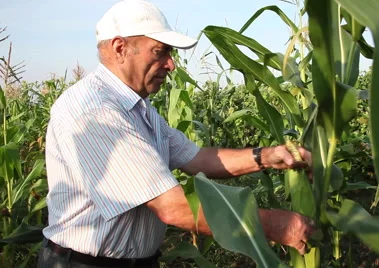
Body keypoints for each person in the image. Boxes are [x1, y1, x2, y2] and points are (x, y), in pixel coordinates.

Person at [37, 0, 316, 267]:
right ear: (120, 48)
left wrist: (267, 156)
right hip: (85, 264)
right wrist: (272, 225)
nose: (171, 65)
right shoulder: (96, 112)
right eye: (160, 52)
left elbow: (196, 158)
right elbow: (173, 208)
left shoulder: (139, 110)